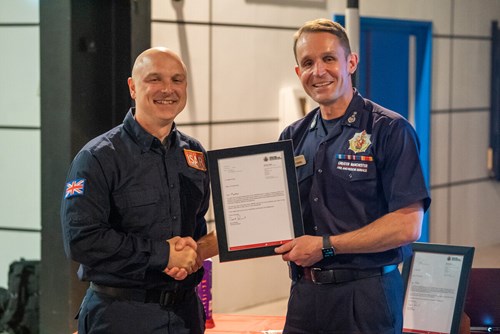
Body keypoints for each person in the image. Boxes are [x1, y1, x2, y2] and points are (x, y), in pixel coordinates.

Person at [274, 19, 431, 334]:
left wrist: (327, 246)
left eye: (328, 59)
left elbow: (407, 225)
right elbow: (275, 213)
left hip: (366, 298)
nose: (318, 71)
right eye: (307, 63)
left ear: (351, 62)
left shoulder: (389, 130)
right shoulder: (292, 136)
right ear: (298, 73)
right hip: (305, 296)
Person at [60, 47, 217, 334]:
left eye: (177, 80)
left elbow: (194, 229)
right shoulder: (98, 157)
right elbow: (82, 240)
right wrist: (162, 255)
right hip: (120, 317)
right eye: (154, 79)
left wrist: (193, 253)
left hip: (185, 315)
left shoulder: (194, 154)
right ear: (133, 87)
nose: (168, 89)